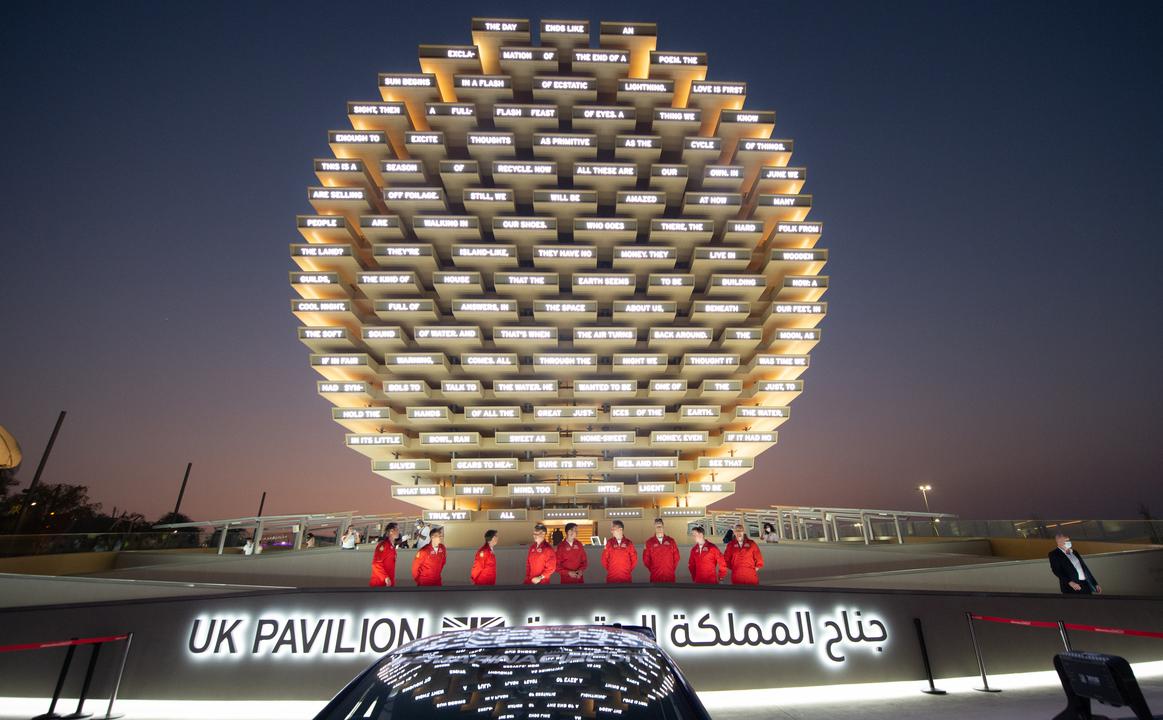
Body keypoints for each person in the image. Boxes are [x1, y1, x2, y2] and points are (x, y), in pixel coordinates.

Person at [643, 518, 680, 583]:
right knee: (655, 593)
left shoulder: (671, 541)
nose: (659, 528)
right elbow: (646, 560)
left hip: (669, 576)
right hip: (655, 576)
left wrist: (670, 569)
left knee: (670, 593)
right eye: (657, 526)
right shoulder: (649, 542)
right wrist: (653, 570)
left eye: (660, 526)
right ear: (654, 527)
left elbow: (676, 557)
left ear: (663, 526)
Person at [369, 522, 400, 587]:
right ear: (391, 531)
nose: (398, 532)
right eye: (397, 529)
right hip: (380, 583)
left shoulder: (391, 546)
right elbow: (376, 564)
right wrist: (385, 577)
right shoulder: (383, 545)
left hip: (388, 582)